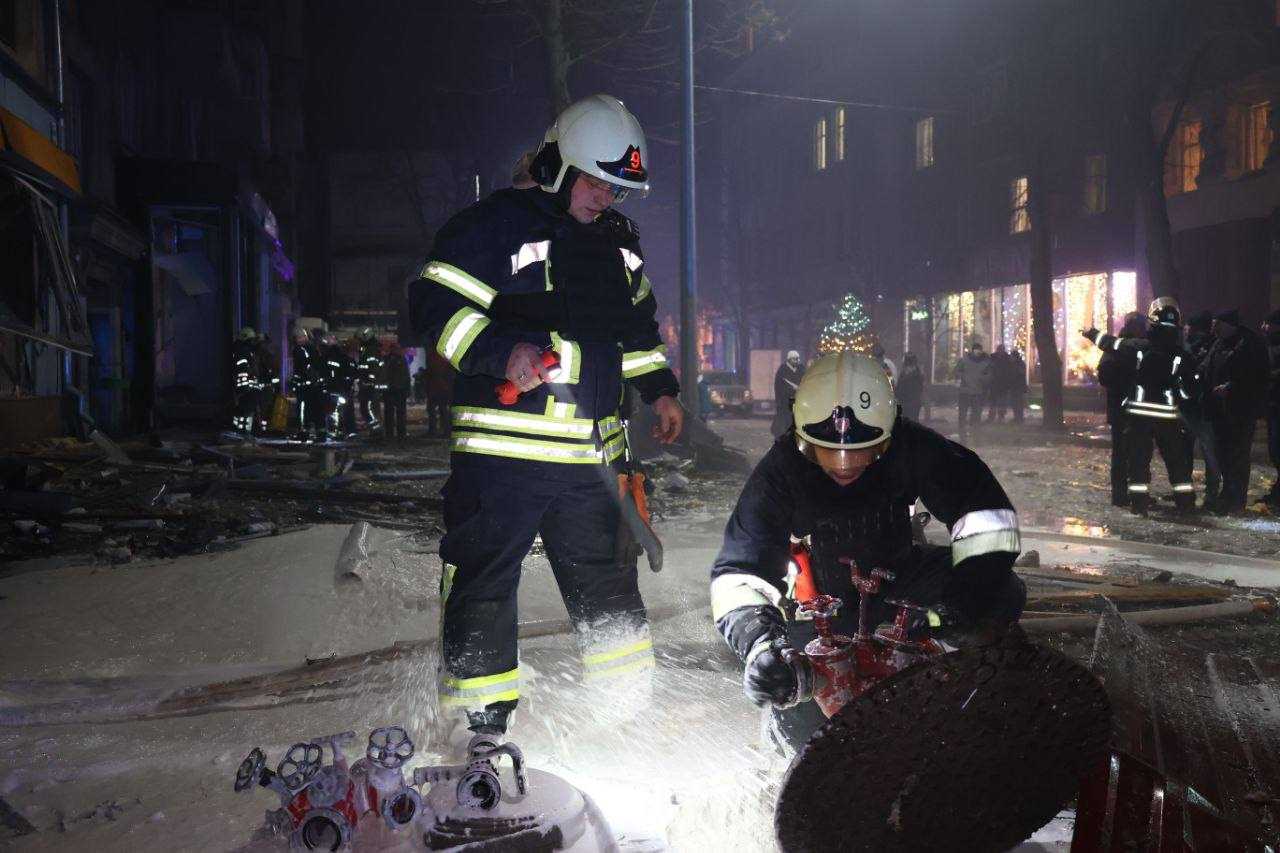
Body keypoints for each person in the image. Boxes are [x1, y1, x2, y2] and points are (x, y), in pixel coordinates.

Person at [409, 94, 684, 743]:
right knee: (483, 583)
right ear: (557, 165)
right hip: (504, 457)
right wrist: (504, 352)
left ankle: (626, 715)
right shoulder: (496, 226)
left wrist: (660, 390)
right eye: (595, 181)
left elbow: (636, 331)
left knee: (609, 586)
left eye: (616, 188)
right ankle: (483, 731)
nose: (604, 198)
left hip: (592, 459)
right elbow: (435, 305)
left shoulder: (619, 248)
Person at [709, 352, 1025, 756]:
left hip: (902, 587)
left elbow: (988, 522)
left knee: (1002, 594)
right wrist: (761, 647)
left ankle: (956, 692)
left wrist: (955, 608)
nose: (845, 467)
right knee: (802, 735)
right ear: (802, 436)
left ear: (890, 433)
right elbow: (740, 572)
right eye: (828, 453)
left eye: (864, 452)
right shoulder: (780, 472)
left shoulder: (914, 447)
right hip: (816, 609)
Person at [1082, 297, 1196, 515]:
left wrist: (1091, 333)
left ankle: (1139, 503)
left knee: (1138, 461)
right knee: (1176, 461)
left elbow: (1111, 343)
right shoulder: (1181, 356)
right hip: (1167, 416)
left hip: (1138, 414)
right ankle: (1186, 503)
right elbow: (1188, 388)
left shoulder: (1139, 348)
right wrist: (1183, 402)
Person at [1202, 308, 1269, 514]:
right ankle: (1227, 494)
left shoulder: (1249, 344)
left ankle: (1236, 499)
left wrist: (1231, 387)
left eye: (1217, 325)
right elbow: (1207, 367)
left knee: (1237, 454)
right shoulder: (1219, 343)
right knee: (1222, 453)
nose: (1213, 329)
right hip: (1219, 410)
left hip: (1240, 409)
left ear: (1227, 325)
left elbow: (1256, 376)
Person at [1097, 313, 1144, 506]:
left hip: (1131, 408)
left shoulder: (1118, 346)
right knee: (1126, 454)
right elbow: (1105, 375)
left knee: (1136, 453)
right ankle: (1122, 494)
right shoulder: (1117, 347)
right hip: (1124, 408)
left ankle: (1131, 494)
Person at [1183, 310, 1222, 510]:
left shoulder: (1191, 346)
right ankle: (1210, 494)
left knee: (1190, 451)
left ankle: (1189, 493)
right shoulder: (1214, 345)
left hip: (1194, 406)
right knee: (1208, 452)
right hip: (1201, 406)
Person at [289, 324, 324, 442]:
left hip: (306, 386)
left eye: (299, 338)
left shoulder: (302, 350)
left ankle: (304, 432)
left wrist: (298, 381)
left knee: (303, 410)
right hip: (312, 386)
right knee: (314, 409)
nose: (298, 341)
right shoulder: (313, 349)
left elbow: (304, 368)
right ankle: (319, 433)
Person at [956, 341, 990, 441]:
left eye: (979, 350)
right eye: (976, 350)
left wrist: (982, 379)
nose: (977, 352)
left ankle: (976, 437)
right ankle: (964, 437)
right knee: (963, 416)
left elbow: (989, 376)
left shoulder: (985, 362)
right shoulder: (964, 360)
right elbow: (957, 372)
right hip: (966, 392)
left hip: (976, 392)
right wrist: (964, 377)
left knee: (976, 416)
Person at [231, 326, 262, 435]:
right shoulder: (244, 352)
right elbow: (243, 369)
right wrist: (245, 385)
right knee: (246, 411)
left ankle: (241, 431)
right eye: (251, 340)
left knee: (244, 410)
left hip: (247, 387)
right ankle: (244, 432)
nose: (253, 342)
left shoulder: (244, 351)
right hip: (247, 387)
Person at [380, 342, 411, 442]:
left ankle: (397, 434)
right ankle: (394, 434)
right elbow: (384, 376)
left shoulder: (397, 360)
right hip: (393, 390)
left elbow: (406, 376)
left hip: (397, 390)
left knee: (397, 414)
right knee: (392, 413)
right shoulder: (393, 360)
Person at [1264, 310, 1280, 506]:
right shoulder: (1270, 346)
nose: (1264, 327)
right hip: (1272, 404)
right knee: (1274, 450)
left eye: (1268, 324)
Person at [770, 350, 804, 438]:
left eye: (797, 359)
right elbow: (778, 386)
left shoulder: (801, 369)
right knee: (784, 420)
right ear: (789, 360)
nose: (796, 361)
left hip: (799, 400)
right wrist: (790, 390)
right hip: (785, 401)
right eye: (794, 359)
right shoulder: (782, 370)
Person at [356, 328, 384, 431]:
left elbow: (373, 368)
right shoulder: (368, 349)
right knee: (369, 409)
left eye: (360, 339)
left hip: (369, 386)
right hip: (368, 384)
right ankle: (375, 430)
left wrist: (369, 381)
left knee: (368, 409)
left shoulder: (370, 350)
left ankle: (377, 431)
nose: (359, 341)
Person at [424, 350, 454, 436]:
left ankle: (440, 430)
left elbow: (436, 375)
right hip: (439, 389)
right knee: (441, 410)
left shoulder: (436, 359)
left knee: (440, 410)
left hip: (438, 389)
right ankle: (444, 430)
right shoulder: (443, 359)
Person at [897, 352, 925, 421]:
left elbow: (900, 389)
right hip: (912, 403)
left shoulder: (907, 375)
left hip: (908, 404)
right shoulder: (918, 374)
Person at [986, 344, 1010, 422]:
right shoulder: (995, 357)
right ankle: (994, 416)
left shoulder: (1005, 358)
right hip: (996, 382)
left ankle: (1000, 416)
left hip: (1001, 383)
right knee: (995, 400)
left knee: (1000, 400)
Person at [1007, 348, 1028, 423]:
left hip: (1018, 387)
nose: (1010, 358)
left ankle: (1019, 417)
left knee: (1018, 403)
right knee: (1015, 403)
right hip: (1015, 386)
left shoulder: (1018, 364)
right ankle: (1017, 417)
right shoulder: (1015, 364)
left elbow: (1019, 375)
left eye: (1012, 357)